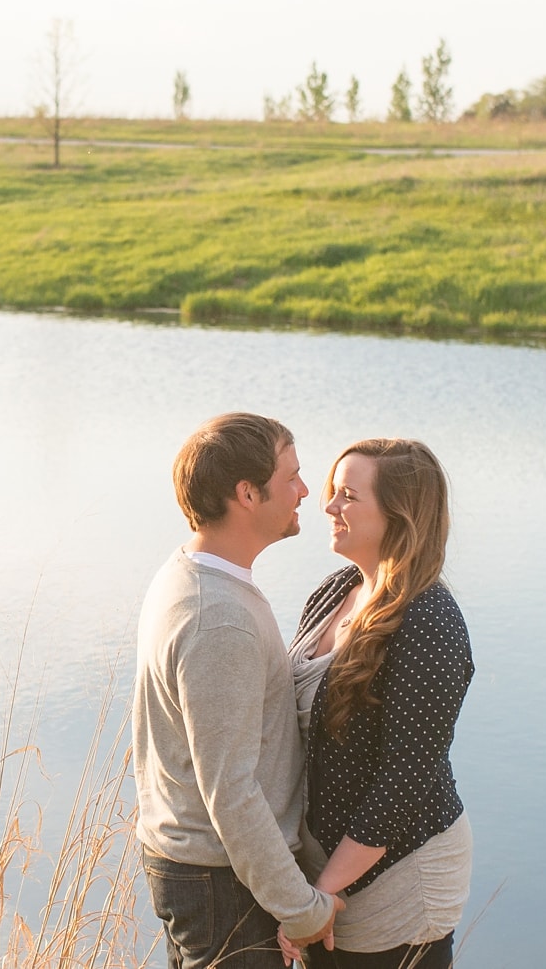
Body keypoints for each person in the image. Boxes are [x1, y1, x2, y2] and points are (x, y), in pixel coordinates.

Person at [134, 412, 342, 968]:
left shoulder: (194, 574)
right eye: (292, 477)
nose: (305, 492)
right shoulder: (219, 618)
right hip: (221, 883)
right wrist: (301, 909)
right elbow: (230, 788)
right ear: (248, 493)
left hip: (203, 872)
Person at [284, 439, 474, 969]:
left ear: (400, 516)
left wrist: (321, 893)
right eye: (331, 492)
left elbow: (406, 779)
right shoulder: (335, 589)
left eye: (348, 496)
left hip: (399, 880)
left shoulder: (429, 621)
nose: (328, 507)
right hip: (331, 870)